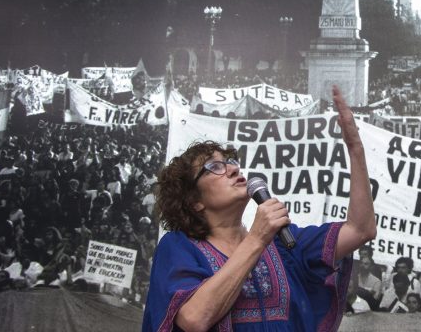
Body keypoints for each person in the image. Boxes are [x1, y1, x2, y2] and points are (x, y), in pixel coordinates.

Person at [142, 85, 377, 331]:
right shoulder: (178, 247)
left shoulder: (285, 244)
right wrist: (256, 238)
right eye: (215, 167)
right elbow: (194, 318)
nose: (233, 168)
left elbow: (361, 230)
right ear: (194, 201)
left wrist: (355, 149)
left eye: (231, 161)